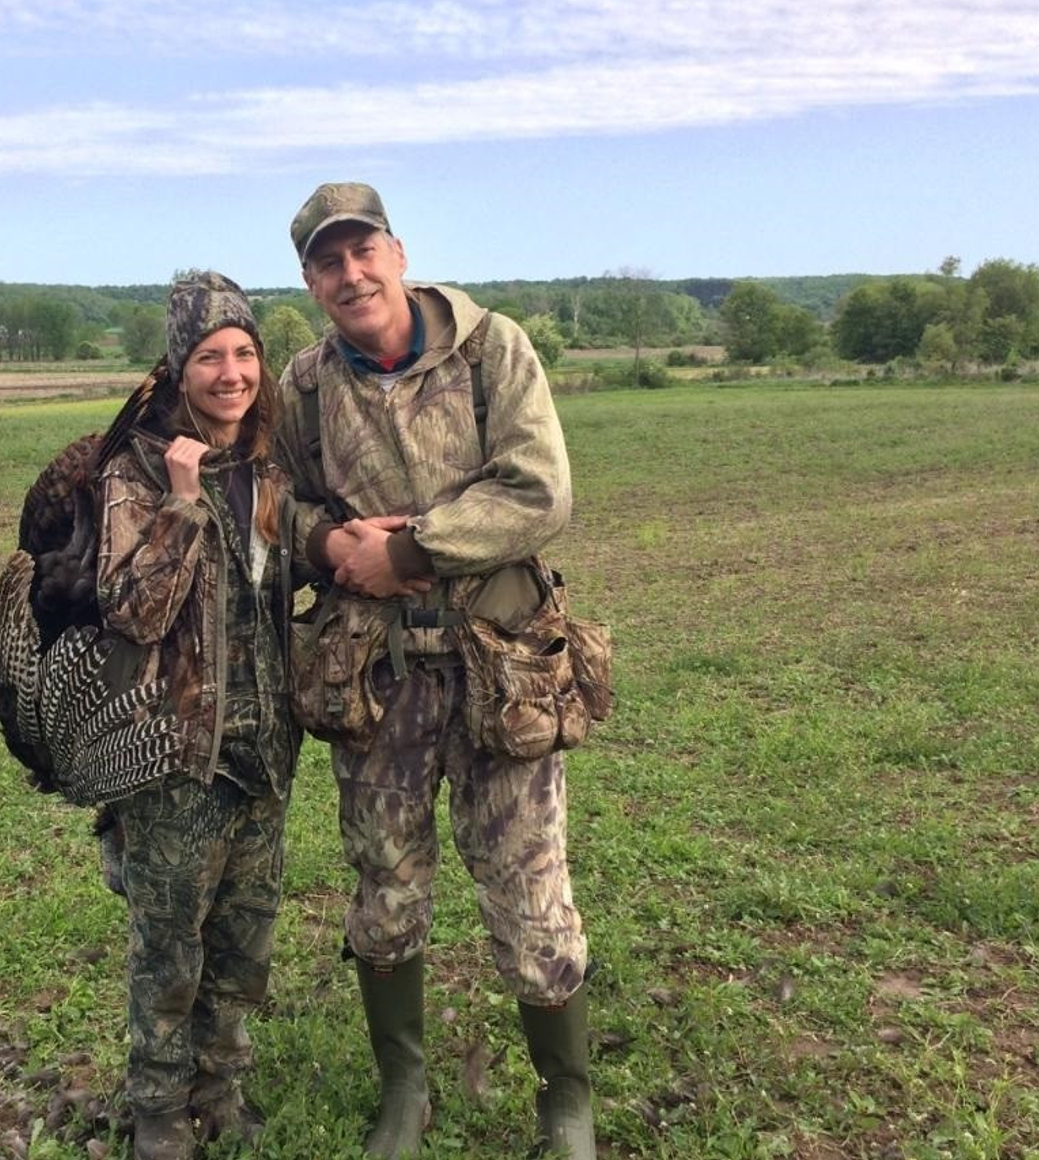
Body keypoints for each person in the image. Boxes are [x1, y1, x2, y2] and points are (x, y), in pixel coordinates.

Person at [272, 183, 595, 1158]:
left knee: (533, 891)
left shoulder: (492, 349)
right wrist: (331, 545)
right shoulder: (303, 387)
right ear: (311, 280)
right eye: (328, 262)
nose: (350, 273)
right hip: (375, 678)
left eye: (362, 251)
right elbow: (280, 507)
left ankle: (566, 1103)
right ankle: (404, 1091)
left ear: (399, 253)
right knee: (385, 888)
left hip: (501, 667)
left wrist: (408, 548)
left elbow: (541, 491)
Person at [96, 272, 303, 1160]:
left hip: (263, 751)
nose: (231, 372)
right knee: (167, 947)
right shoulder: (135, 473)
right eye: (210, 356)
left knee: (244, 938)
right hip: (176, 757)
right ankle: (155, 1110)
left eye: (245, 352)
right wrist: (181, 506)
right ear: (178, 368)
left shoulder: (270, 466)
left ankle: (218, 1089)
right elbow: (132, 613)